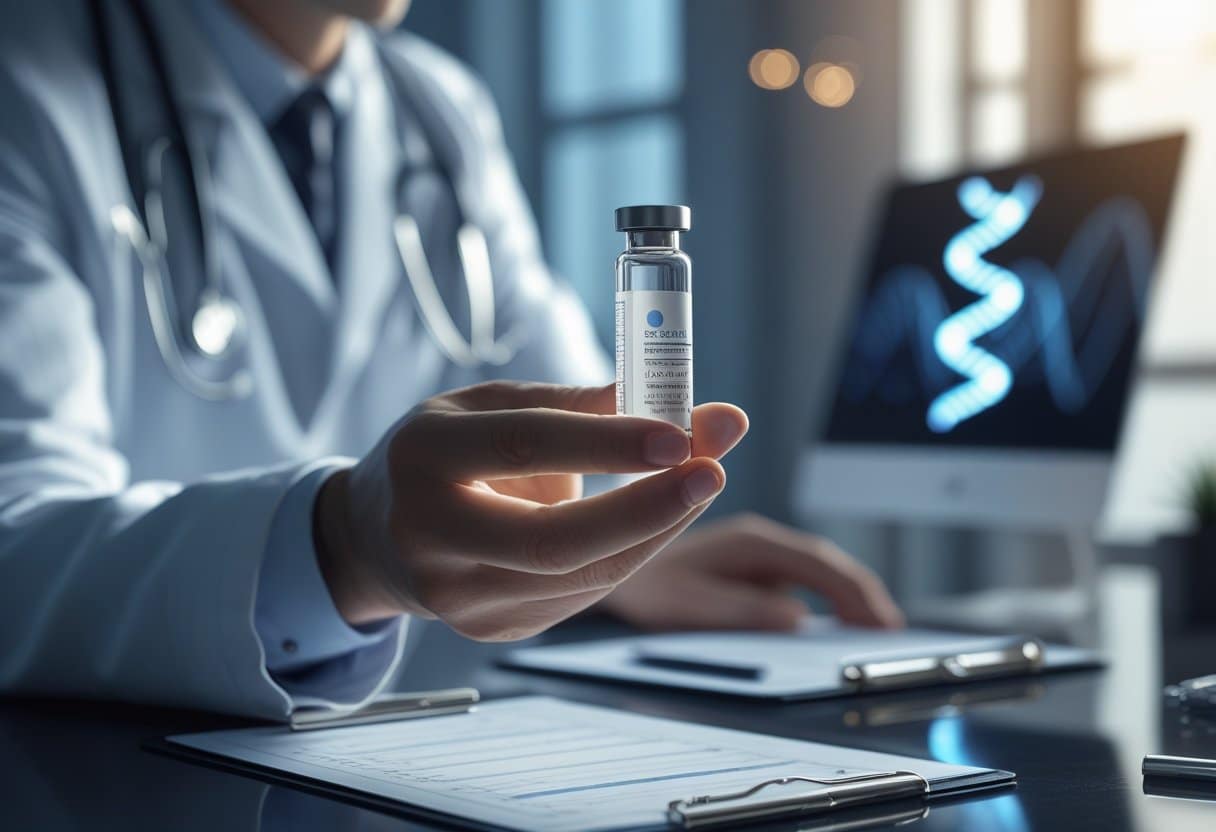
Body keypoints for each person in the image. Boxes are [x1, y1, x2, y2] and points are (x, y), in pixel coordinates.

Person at [0, 0, 902, 718]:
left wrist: (621, 564)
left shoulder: (440, 109)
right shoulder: (28, 77)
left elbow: (570, 427)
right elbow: (15, 544)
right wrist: (338, 546)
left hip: (414, 752)